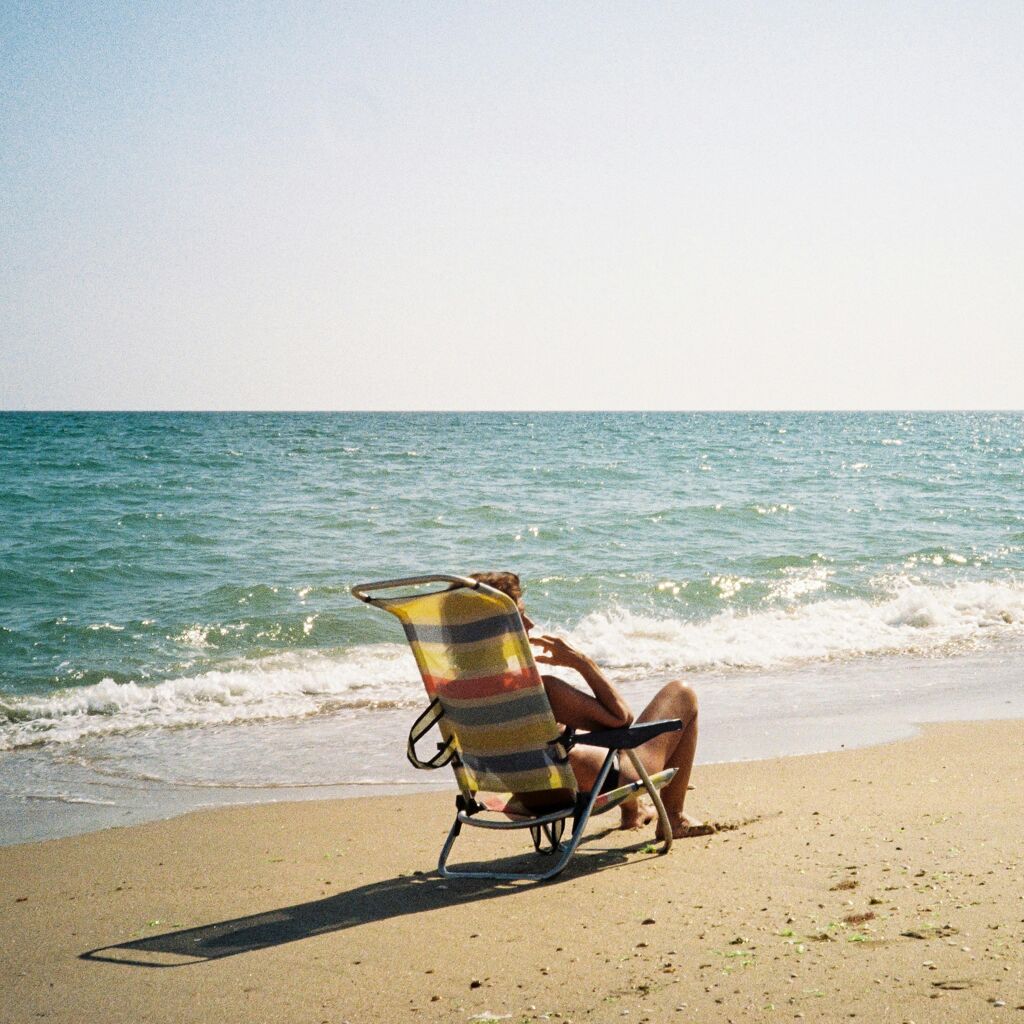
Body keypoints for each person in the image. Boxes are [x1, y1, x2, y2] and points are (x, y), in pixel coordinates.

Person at [470, 571, 712, 839]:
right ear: (498, 629)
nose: (530, 624)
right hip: (590, 786)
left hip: (529, 797)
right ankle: (675, 817)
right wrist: (581, 661)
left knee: (588, 738)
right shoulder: (540, 692)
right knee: (681, 694)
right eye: (519, 617)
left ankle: (633, 812)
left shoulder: (458, 693)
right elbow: (621, 718)